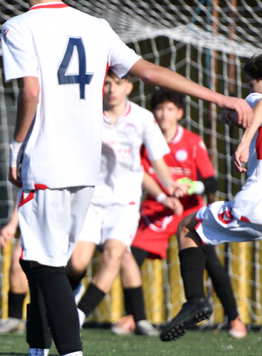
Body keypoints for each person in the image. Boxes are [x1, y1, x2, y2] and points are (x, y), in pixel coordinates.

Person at [0, 0, 250, 356]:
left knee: (45, 267)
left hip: (47, 162)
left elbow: (30, 91)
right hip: (85, 167)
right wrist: (221, 98)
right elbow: (149, 71)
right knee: (38, 264)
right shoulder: (95, 26)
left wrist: (16, 146)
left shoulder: (18, 26)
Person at [162, 47, 262, 342]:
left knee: (188, 227)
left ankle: (195, 300)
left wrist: (244, 141)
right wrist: (234, 117)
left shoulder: (261, 98)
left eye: (251, 83)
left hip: (259, 208)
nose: (250, 90)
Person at [113, 89, 247, 339]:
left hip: (188, 212)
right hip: (156, 211)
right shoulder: (145, 142)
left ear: (180, 113)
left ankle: (234, 318)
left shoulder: (192, 142)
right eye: (160, 108)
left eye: (170, 109)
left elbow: (211, 182)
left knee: (211, 262)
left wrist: (191, 187)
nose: (164, 114)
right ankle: (134, 316)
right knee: (128, 257)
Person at [67, 73, 184, 338]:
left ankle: (78, 315)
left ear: (129, 87)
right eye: (107, 83)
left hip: (125, 203)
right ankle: (71, 289)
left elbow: (156, 161)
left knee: (114, 255)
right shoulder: (88, 114)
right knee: (77, 262)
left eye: (117, 83)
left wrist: (169, 185)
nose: (111, 89)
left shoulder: (143, 118)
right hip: (91, 199)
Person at [0, 201, 28, 334]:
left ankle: (77, 312)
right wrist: (13, 223)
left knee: (76, 265)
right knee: (19, 259)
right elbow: (25, 191)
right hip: (40, 215)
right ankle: (15, 318)